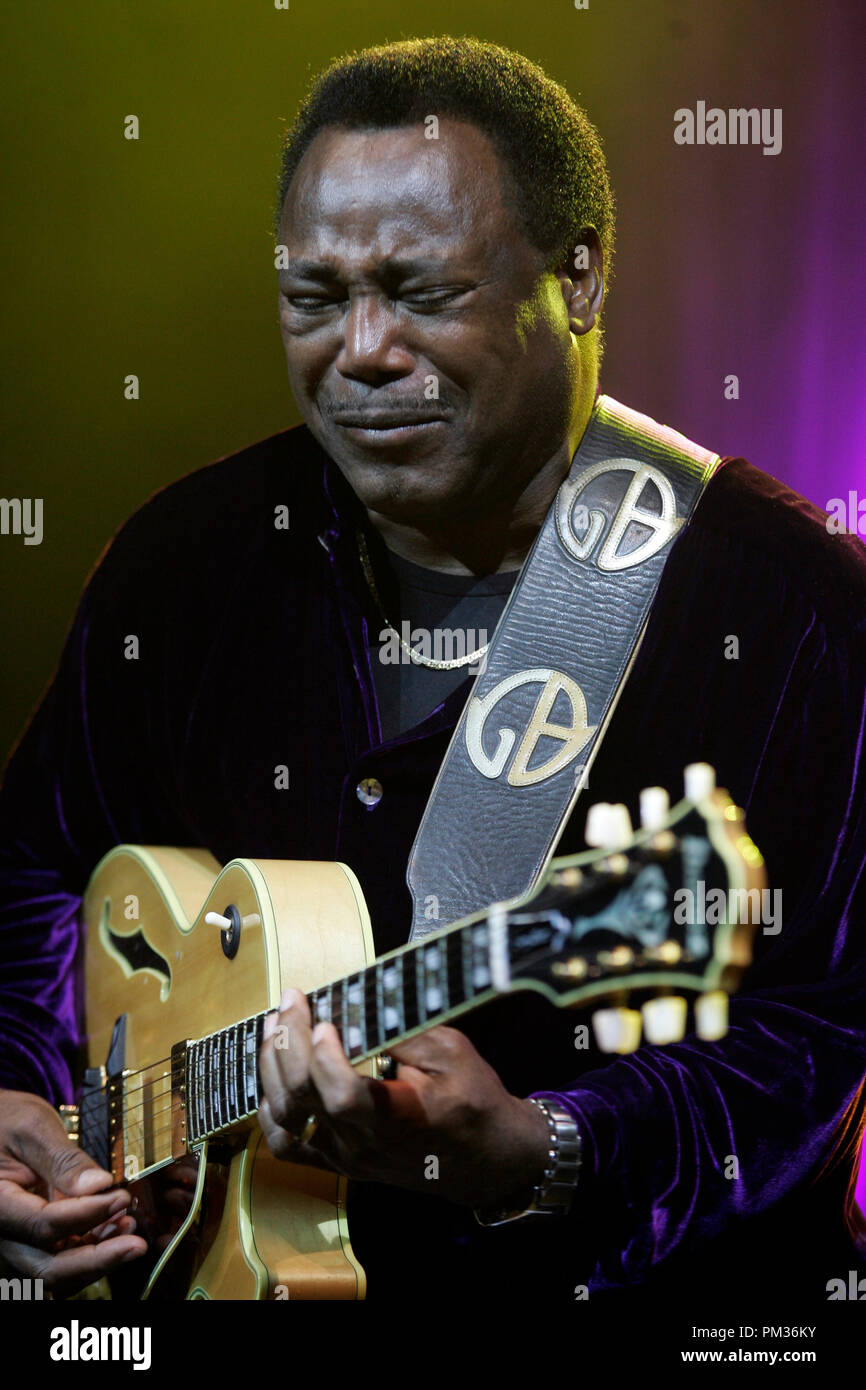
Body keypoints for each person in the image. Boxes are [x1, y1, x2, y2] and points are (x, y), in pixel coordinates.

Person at [1, 36, 865, 1306]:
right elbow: (33, 866)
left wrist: (550, 1146)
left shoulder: (786, 608)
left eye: (420, 291)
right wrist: (18, 1099)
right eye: (313, 297)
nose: (357, 350)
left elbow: (821, 1027)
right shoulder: (184, 564)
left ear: (577, 279)